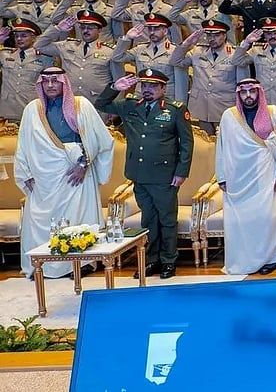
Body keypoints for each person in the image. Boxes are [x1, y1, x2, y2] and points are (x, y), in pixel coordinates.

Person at [14, 67, 115, 279]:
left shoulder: (81, 105)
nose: (50, 85)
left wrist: (84, 164)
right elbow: (23, 144)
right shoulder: (32, 109)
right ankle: (42, 264)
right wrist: (25, 172)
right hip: (43, 176)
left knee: (79, 216)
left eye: (55, 80)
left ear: (64, 83)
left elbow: (100, 138)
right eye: (46, 81)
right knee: (40, 219)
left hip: (75, 172)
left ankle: (81, 263)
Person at [96, 69, 194, 279]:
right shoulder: (131, 105)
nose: (147, 90)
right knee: (148, 219)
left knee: (167, 220)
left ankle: (168, 261)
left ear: (163, 88)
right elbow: (101, 104)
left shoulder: (175, 109)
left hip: (165, 175)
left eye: (153, 86)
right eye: (144, 85)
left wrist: (182, 172)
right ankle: (152, 260)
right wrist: (115, 88)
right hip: (139, 174)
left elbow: (186, 143)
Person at [215, 78, 276, 275]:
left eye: (252, 91)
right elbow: (222, 147)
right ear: (238, 94)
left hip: (267, 174)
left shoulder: (272, 112)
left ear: (259, 92)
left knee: (267, 218)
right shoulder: (229, 116)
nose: (248, 96)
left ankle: (273, 258)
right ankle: (246, 258)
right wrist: (222, 176)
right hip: (239, 179)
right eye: (243, 92)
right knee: (245, 222)